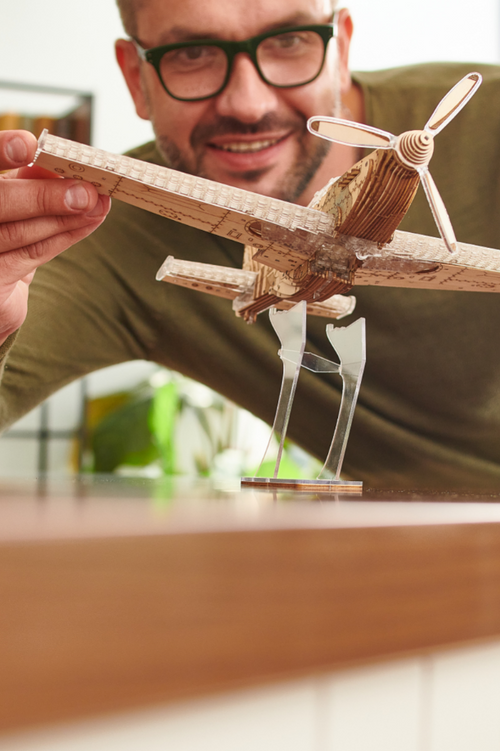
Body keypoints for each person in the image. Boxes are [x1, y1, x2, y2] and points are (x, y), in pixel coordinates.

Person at [1, 0, 500, 491]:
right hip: (425, 544)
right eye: (192, 52)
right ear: (136, 78)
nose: (249, 103)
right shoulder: (96, 224)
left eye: (289, 41)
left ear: (341, 48)